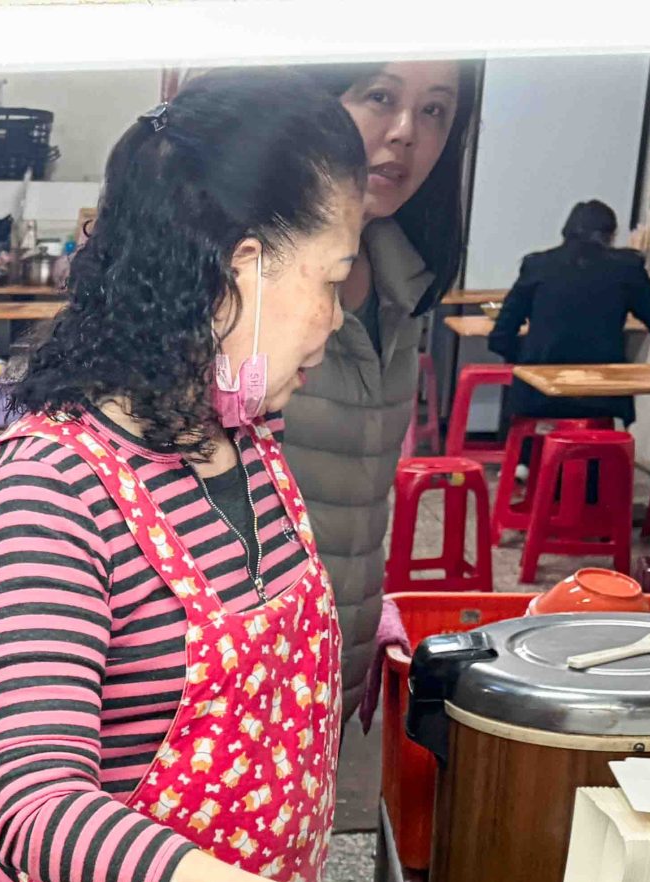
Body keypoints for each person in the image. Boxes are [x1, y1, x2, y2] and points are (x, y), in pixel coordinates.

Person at [0, 72, 451, 882]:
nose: (336, 316)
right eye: (327, 278)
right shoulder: (51, 489)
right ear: (245, 268)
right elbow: (36, 808)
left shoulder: (245, 438)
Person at [277, 60, 474, 716]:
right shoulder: (251, 275)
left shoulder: (400, 281)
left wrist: (361, 624)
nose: (406, 132)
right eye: (380, 97)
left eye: (435, 111)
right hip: (236, 681)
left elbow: (357, 496)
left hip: (337, 658)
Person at [490, 199, 650, 422]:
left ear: (566, 232)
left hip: (539, 397)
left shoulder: (537, 266)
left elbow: (499, 338)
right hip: (601, 399)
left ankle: (526, 456)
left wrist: (534, 358)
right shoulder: (627, 269)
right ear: (611, 236)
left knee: (530, 423)